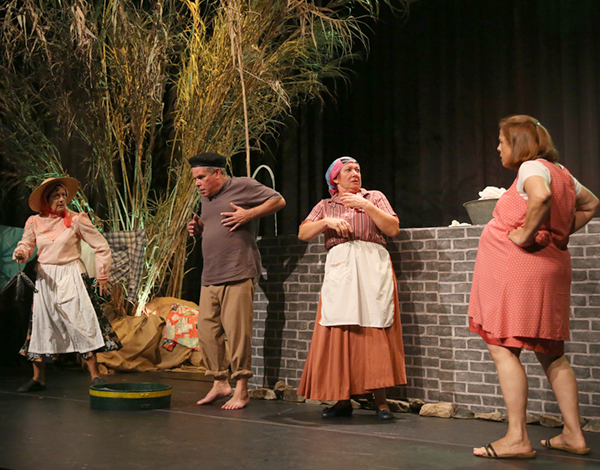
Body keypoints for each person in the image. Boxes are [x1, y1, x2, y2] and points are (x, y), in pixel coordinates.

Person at [469, 115, 598, 459]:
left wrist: (526, 235)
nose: (498, 148)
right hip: (550, 267)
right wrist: (560, 233)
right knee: (551, 352)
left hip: (520, 271)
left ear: (518, 143)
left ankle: (516, 438)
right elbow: (591, 203)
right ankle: (574, 434)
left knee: (504, 347)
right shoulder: (563, 173)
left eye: (502, 141)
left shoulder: (531, 168)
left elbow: (540, 196)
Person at [297, 156, 406, 420]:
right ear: (335, 178)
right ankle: (342, 400)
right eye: (348, 170)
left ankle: (381, 402)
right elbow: (303, 233)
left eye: (358, 169)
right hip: (341, 270)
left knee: (374, 328)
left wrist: (366, 206)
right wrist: (326, 222)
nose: (355, 173)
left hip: (372, 267)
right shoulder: (326, 205)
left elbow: (392, 228)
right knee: (340, 330)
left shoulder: (374, 197)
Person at [187, 152, 286, 410]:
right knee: (207, 332)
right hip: (211, 274)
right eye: (195, 178)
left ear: (217, 173)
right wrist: (198, 228)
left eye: (201, 177)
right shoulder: (205, 197)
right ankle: (220, 381)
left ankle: (242, 389)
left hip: (238, 271)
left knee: (237, 332)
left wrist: (248, 214)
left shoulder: (242, 185)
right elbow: (214, 224)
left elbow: (278, 200)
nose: (197, 183)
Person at [13, 177, 121, 391]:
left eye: (63, 195)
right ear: (46, 199)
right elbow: (27, 244)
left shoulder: (76, 220)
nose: (62, 199)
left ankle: (96, 376)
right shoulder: (34, 222)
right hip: (45, 277)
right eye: (56, 196)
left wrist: (102, 274)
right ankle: (38, 379)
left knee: (81, 321)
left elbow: (101, 245)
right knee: (42, 324)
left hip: (70, 274)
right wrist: (21, 253)